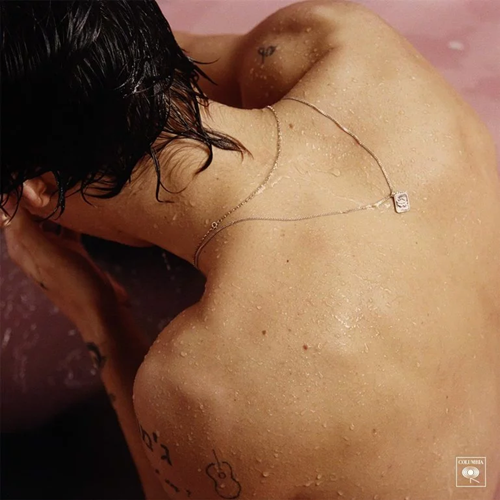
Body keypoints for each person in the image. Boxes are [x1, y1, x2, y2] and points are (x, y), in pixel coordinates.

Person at [1, 0, 499, 499]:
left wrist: (97, 314)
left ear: (37, 189)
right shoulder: (336, 41)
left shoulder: (206, 387)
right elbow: (104, 54)